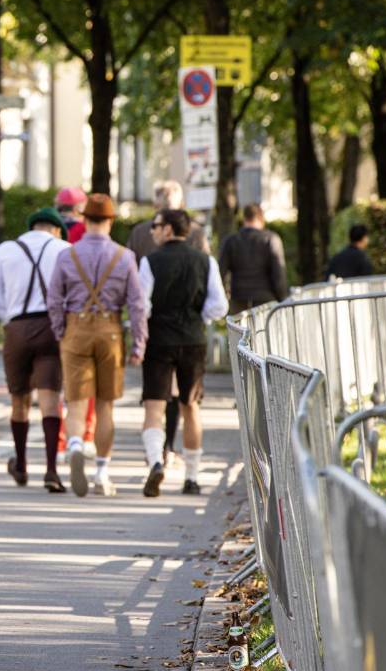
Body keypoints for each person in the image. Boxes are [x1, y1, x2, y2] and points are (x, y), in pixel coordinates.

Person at [47, 193, 147, 497]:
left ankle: (75, 444)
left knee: (76, 401)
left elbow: (54, 299)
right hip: (111, 330)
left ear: (84, 219)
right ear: (111, 221)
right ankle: (102, 473)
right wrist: (138, 344)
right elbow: (138, 304)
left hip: (76, 327)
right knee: (105, 405)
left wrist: (61, 330)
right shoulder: (125, 257)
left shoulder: (67, 255)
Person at [138, 209, 228, 497]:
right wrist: (198, 317)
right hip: (192, 339)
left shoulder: (149, 261)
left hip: (159, 339)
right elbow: (219, 306)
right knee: (191, 406)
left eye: (156, 226)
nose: (152, 231)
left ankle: (156, 461)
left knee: (154, 406)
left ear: (167, 230)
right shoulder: (205, 261)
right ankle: (191, 476)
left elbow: (143, 305)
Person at [0, 207, 71, 492]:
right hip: (51, 327)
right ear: (57, 229)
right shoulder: (64, 249)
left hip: (17, 330)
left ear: (32, 226)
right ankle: (51, 470)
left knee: (19, 400)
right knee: (50, 398)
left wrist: (10, 315)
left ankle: (21, 464)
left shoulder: (7, 249)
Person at [218, 203, 287, 314]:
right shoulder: (271, 239)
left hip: (239, 299)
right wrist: (282, 298)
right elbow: (279, 273)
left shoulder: (230, 241)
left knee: (240, 330)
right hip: (265, 300)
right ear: (261, 218)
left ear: (244, 218)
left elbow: (220, 272)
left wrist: (224, 297)